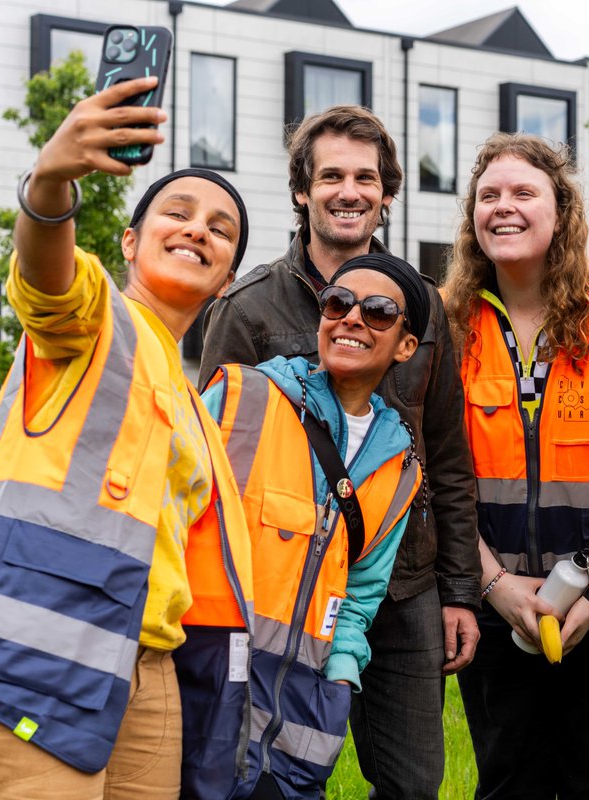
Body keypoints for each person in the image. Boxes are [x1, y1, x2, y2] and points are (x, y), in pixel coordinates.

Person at [0, 76, 255, 798]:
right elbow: (46, 279)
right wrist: (50, 184)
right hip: (27, 646)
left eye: (220, 228)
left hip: (146, 668)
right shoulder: (97, 316)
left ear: (227, 278)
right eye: (178, 213)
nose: (198, 229)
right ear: (130, 241)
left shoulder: (194, 401)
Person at [199, 104, 481, 798]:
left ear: (386, 194)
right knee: (265, 772)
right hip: (277, 594)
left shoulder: (423, 308)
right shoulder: (247, 308)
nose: (348, 191)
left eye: (365, 177)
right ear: (302, 191)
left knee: (414, 784)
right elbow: (208, 463)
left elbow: (448, 460)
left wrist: (459, 592)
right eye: (331, 176)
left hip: (404, 585)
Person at [443, 132, 589, 798]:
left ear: (562, 212)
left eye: (524, 192)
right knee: (508, 781)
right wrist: (494, 585)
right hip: (497, 602)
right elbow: (433, 476)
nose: (503, 206)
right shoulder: (445, 326)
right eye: (488, 195)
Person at [197, 252, 427, 800]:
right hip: (203, 684)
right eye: (338, 303)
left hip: (302, 714)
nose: (352, 318)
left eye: (377, 311)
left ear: (405, 346)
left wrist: (340, 678)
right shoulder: (242, 397)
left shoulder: (399, 468)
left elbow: (361, 594)